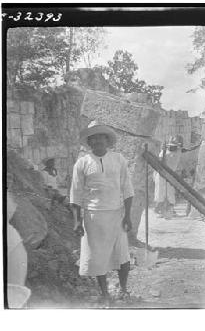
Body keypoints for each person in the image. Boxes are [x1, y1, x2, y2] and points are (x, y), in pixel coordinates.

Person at [70, 121, 134, 307]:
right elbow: (76, 193)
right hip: (93, 217)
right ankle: (105, 294)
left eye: (101, 137)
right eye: (94, 138)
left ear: (107, 140)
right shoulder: (82, 163)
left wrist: (128, 215)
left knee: (123, 256)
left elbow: (127, 189)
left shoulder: (119, 159)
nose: (98, 140)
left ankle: (123, 290)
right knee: (98, 258)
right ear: (90, 142)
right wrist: (77, 221)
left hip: (117, 214)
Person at [154, 135, 200, 218]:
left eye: (176, 146)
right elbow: (160, 164)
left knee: (170, 193)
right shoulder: (163, 152)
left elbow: (188, 149)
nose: (174, 148)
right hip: (162, 175)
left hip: (171, 175)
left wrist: (198, 145)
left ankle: (170, 211)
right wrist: (163, 154)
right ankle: (159, 210)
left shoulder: (179, 150)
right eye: (172, 146)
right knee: (161, 193)